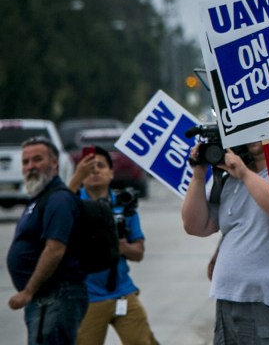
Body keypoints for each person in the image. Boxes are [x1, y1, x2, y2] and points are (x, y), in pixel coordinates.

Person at [181, 140, 269, 345]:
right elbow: (196, 226)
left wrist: (245, 174)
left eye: (258, 126)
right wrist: (199, 173)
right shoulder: (229, 176)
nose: (251, 134)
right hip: (230, 301)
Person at [66, 149, 157, 345]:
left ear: (111, 172)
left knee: (143, 341)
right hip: (87, 297)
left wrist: (118, 246)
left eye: (101, 166)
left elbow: (138, 253)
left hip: (122, 291)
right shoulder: (70, 203)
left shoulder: (124, 204)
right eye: (89, 168)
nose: (95, 171)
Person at [7, 136, 87, 345]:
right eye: (26, 162)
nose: (30, 167)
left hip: (57, 297)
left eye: (37, 159)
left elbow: (55, 248)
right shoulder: (41, 198)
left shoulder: (58, 199)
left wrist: (28, 291)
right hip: (45, 300)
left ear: (54, 163)